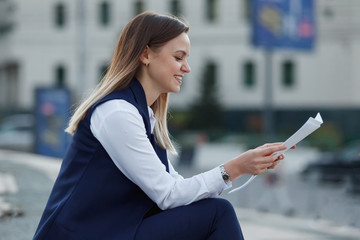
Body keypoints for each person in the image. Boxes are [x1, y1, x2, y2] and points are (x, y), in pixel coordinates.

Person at [33, 12, 288, 240]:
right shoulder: (117, 113)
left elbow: (177, 189)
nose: (187, 68)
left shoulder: (143, 115)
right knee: (217, 215)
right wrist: (235, 167)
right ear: (145, 55)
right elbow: (168, 195)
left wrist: (245, 166)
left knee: (210, 214)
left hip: (110, 230)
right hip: (83, 234)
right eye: (179, 57)